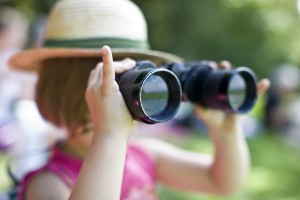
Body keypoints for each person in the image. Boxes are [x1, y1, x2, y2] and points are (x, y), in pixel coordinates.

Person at [8, 0, 270, 199]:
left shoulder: (144, 155)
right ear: (60, 92)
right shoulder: (47, 183)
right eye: (119, 83)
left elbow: (223, 182)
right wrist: (109, 134)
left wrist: (226, 132)